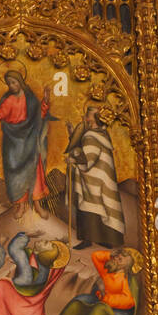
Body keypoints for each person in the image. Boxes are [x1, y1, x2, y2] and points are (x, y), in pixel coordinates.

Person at [0, 70, 51, 214]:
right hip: (13, 143)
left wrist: (45, 101)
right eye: (9, 83)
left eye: (14, 82)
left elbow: (39, 115)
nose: (12, 86)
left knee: (34, 171)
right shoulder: (9, 100)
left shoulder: (30, 99)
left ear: (20, 81)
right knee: (14, 175)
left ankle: (37, 204)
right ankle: (21, 205)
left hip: (29, 140)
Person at [0, 234, 68, 315]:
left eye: (46, 244)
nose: (46, 240)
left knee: (13, 254)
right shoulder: (42, 259)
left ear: (43, 253)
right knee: (1, 284)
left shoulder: (40, 266)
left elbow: (29, 278)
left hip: (27, 292)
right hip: (25, 290)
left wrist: (26, 236)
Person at [54, 247, 141, 315]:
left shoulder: (125, 279)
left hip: (118, 314)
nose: (116, 259)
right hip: (102, 301)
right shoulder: (108, 270)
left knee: (99, 309)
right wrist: (110, 255)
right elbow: (96, 256)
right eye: (117, 256)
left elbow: (128, 301)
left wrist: (107, 299)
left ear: (127, 266)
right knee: (80, 300)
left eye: (120, 259)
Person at [64, 106, 124, 249]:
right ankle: (100, 239)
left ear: (95, 119)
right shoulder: (100, 134)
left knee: (90, 208)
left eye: (88, 115)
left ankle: (91, 240)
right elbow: (84, 149)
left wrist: (73, 160)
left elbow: (88, 157)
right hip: (97, 177)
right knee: (100, 207)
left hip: (94, 178)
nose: (85, 117)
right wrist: (72, 133)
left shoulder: (92, 136)